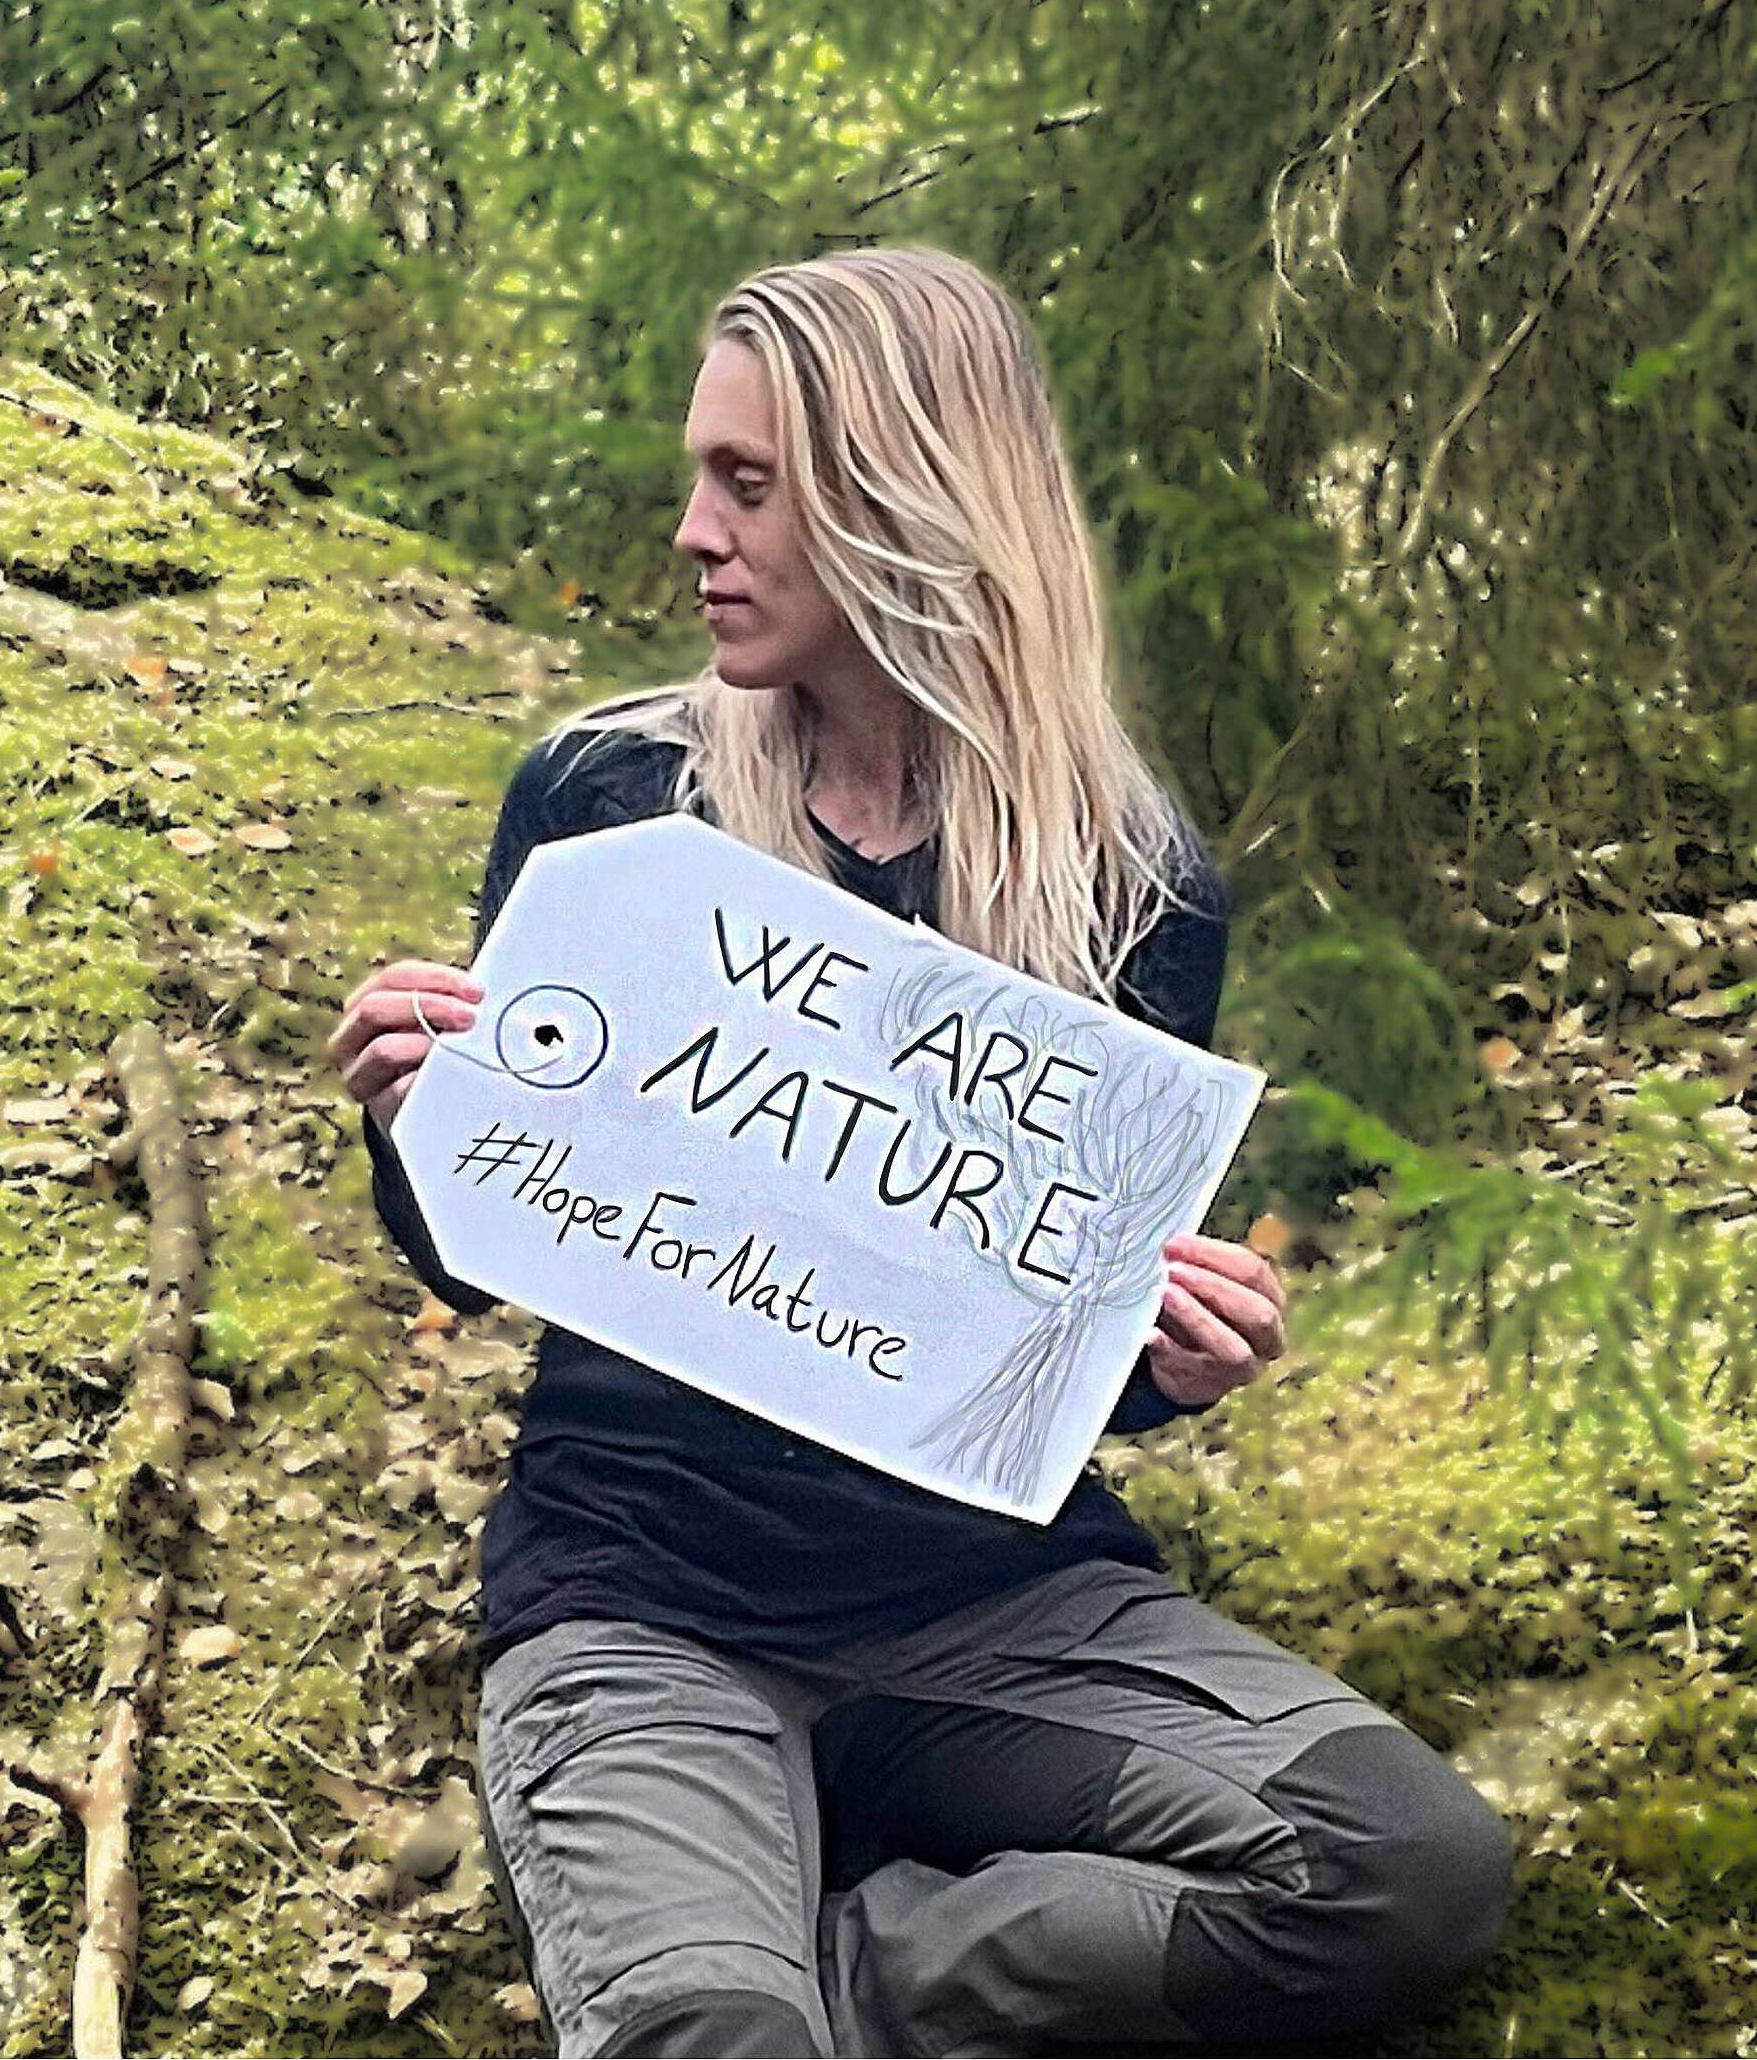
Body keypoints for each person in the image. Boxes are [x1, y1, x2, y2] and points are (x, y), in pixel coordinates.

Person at [328, 248, 1512, 2058]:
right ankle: (744, 1981)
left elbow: (1038, 1350)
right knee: (716, 2039)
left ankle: (860, 1978)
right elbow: (481, 1244)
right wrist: (417, 1113)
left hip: (990, 1602)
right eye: (696, 477)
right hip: (642, 1595)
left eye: (747, 484)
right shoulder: (609, 795)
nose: (689, 534)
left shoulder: (1130, 878)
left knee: (1400, 1867)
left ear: (904, 502)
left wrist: (1165, 1360)